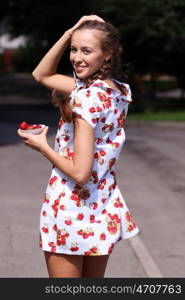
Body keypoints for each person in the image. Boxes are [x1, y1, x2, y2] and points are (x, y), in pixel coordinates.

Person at [17, 15, 139, 278]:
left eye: (87, 50)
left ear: (107, 55)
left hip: (71, 209)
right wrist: (71, 31)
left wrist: (43, 146)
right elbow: (41, 74)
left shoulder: (85, 100)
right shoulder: (117, 91)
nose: (76, 57)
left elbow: (80, 174)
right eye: (74, 49)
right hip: (102, 206)